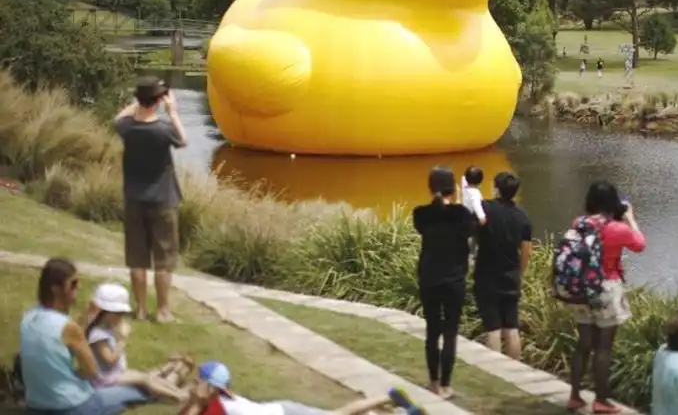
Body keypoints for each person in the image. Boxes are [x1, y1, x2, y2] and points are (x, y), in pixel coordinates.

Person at [19, 258, 148, 415]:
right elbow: (92, 372)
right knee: (138, 390)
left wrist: (86, 319)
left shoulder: (28, 317)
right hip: (71, 406)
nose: (78, 287)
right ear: (55, 289)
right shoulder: (69, 328)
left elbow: (58, 338)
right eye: (73, 284)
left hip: (36, 404)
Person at [566, 182, 646, 413]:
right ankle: (601, 400)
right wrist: (630, 217)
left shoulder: (579, 224)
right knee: (603, 347)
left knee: (583, 344)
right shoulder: (617, 229)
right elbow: (640, 244)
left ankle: (574, 395)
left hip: (581, 288)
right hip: (606, 288)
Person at [114, 76, 188, 323]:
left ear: (139, 99)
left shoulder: (127, 128)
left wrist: (137, 103)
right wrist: (173, 112)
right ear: (158, 101)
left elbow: (117, 119)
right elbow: (184, 140)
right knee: (163, 260)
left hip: (134, 199)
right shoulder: (164, 130)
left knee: (137, 259)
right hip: (163, 200)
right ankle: (163, 311)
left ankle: (142, 309)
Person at [412, 166, 475, 399]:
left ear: (431, 187)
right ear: (453, 187)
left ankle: (434, 382)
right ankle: (446, 386)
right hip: (454, 279)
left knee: (432, 331)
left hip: (430, 278)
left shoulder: (421, 214)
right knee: (450, 332)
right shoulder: (461, 215)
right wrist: (457, 200)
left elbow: (423, 227)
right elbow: (470, 230)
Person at [178, 361, 415, 415]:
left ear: (210, 387)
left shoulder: (219, 407)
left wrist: (195, 401)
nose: (193, 385)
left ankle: (386, 397)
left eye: (197, 381)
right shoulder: (219, 402)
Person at [86, 283, 191, 402]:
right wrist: (122, 340)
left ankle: (177, 391)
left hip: (114, 373)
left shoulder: (106, 328)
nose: (121, 317)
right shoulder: (98, 335)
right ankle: (178, 396)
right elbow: (110, 360)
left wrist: (118, 332)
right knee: (145, 379)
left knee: (147, 377)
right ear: (104, 312)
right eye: (118, 313)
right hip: (105, 378)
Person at [473, 172, 532, 360]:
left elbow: (471, 230)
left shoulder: (486, 209)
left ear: (496, 189)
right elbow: (526, 250)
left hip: (487, 275)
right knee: (512, 327)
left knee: (493, 328)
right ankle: (515, 368)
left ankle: (496, 369)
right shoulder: (522, 216)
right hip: (511, 276)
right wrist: (519, 273)